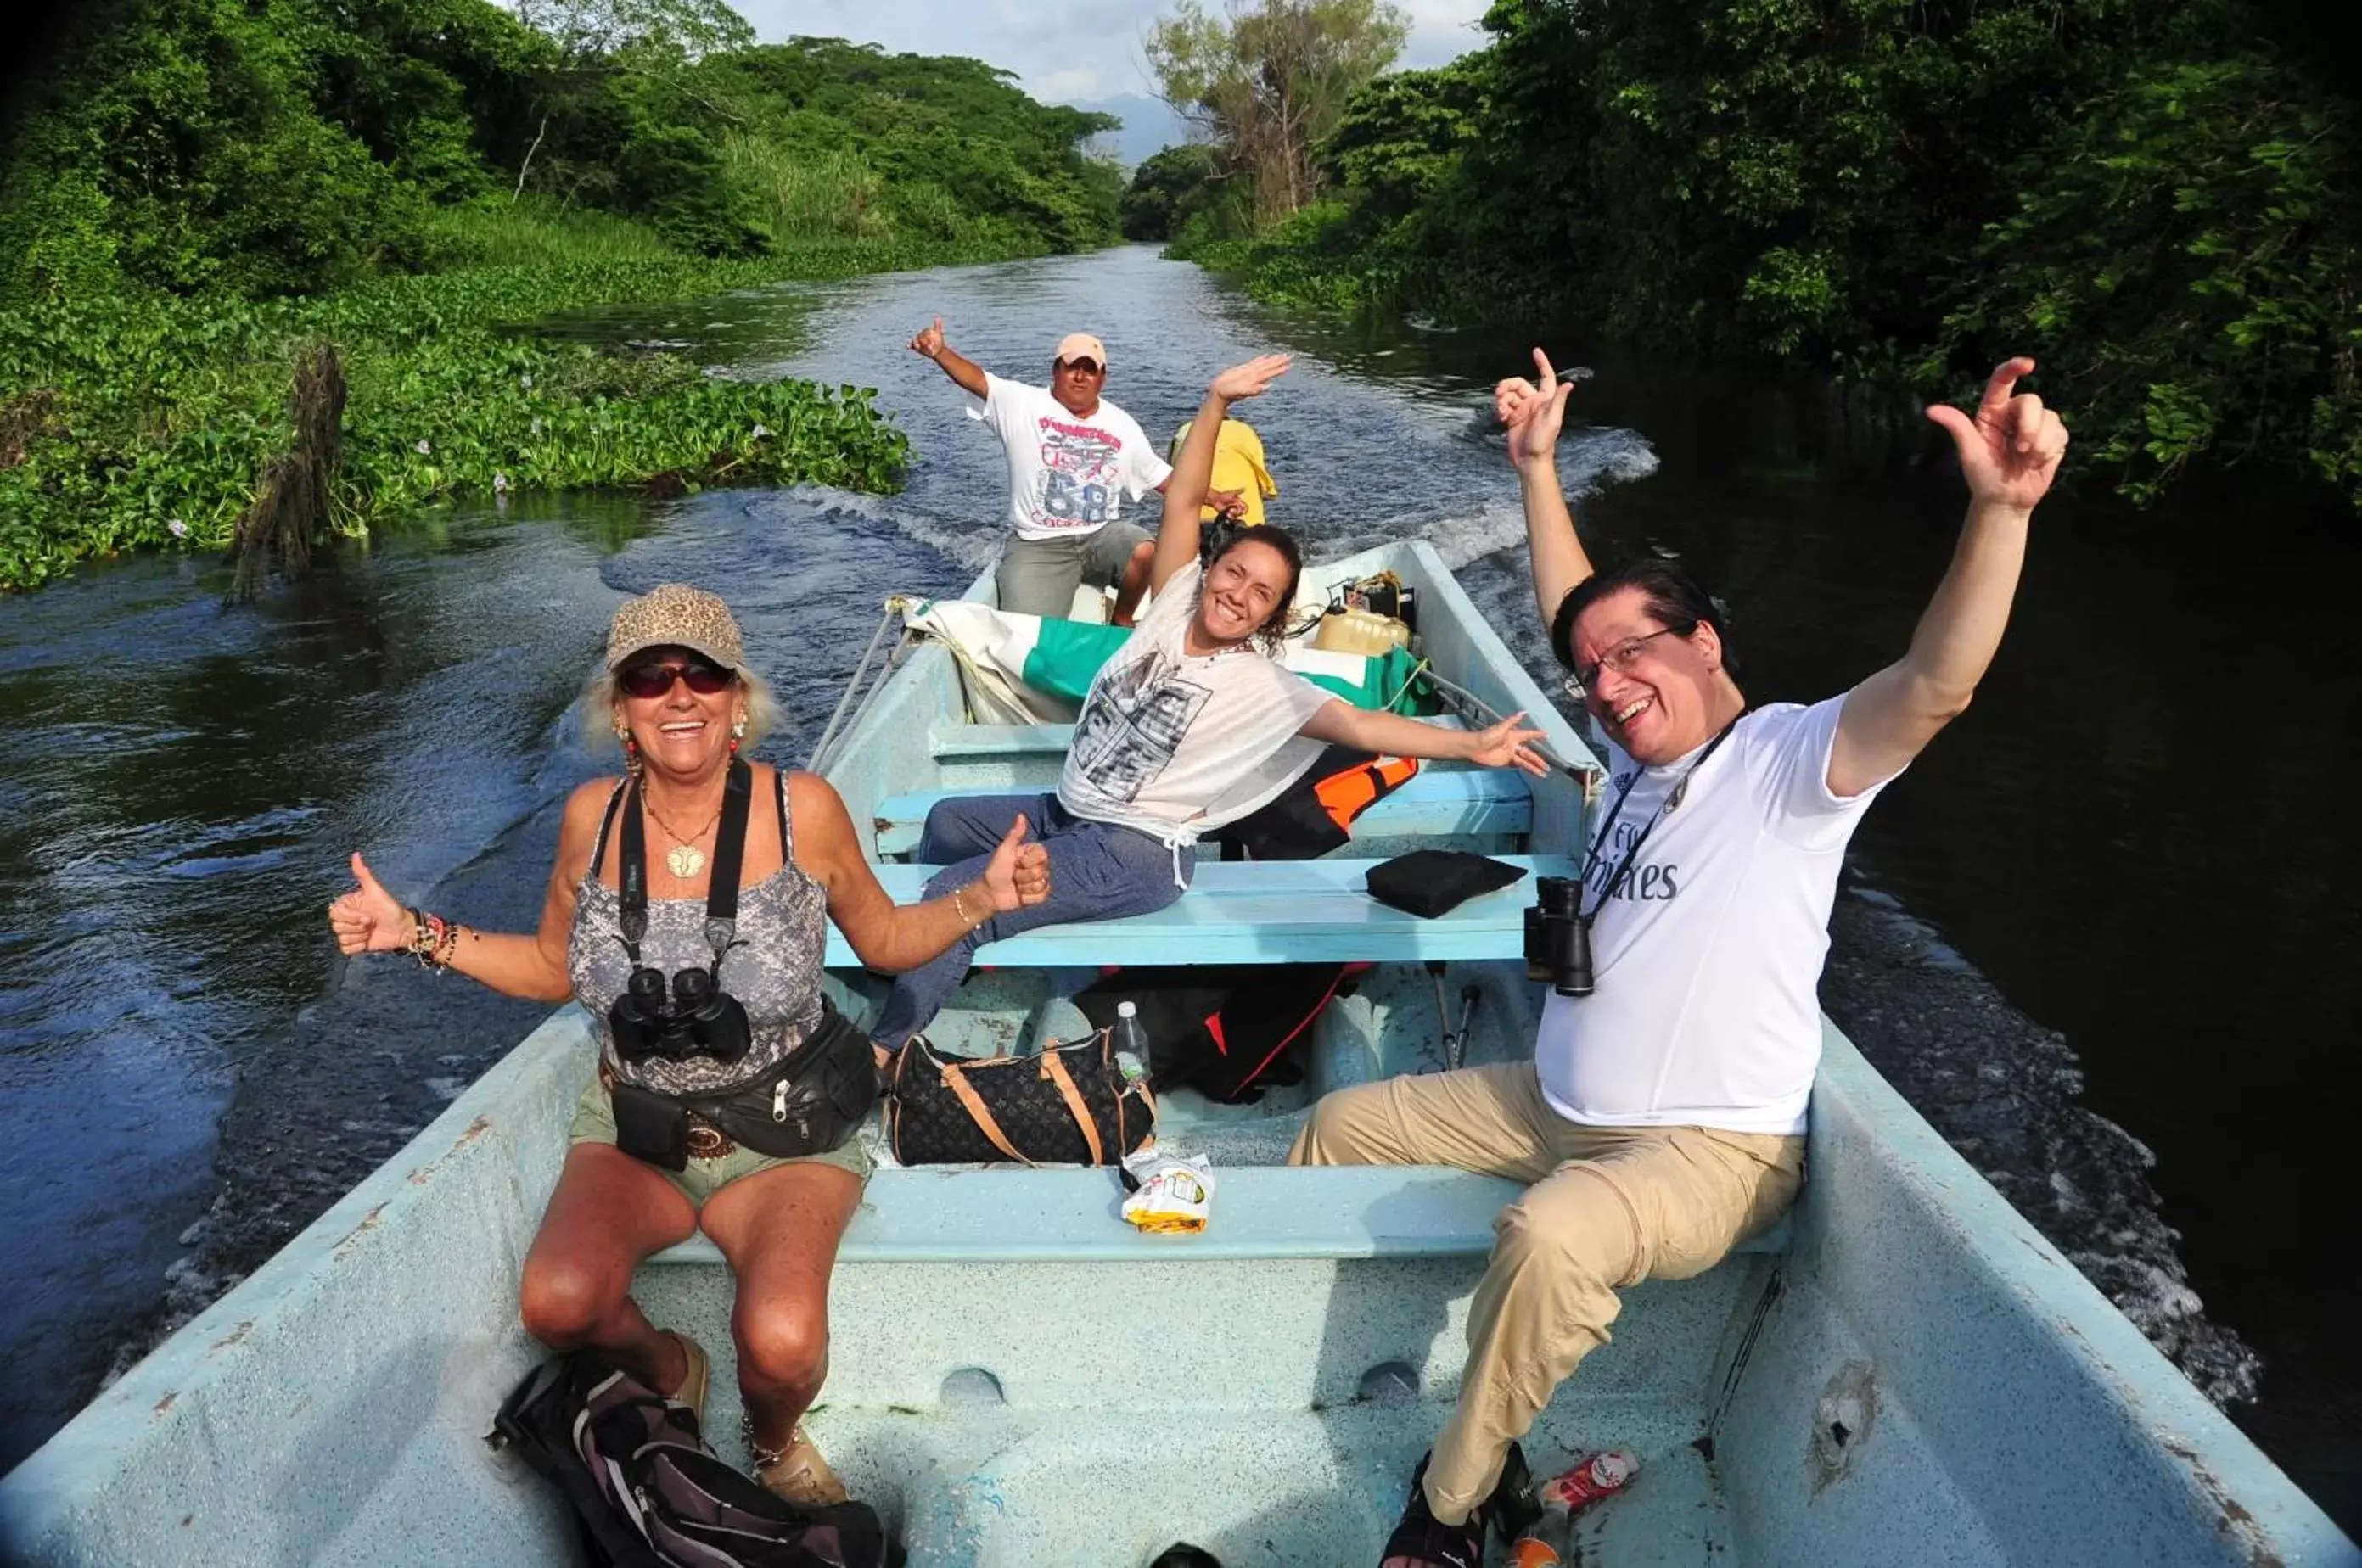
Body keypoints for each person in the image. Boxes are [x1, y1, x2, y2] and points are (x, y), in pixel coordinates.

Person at [1292, 351, 2071, 1568]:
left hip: (1704, 1147)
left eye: (1632, 659)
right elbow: (1581, 610)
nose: (1604, 687)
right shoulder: (1634, 770)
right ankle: (1364, 1377)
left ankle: (1447, 1506)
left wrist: (1998, 514)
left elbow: (1936, 683)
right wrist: (1538, 469)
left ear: (1705, 642)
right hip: (1546, 1101)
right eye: (1587, 675)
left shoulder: (1789, 763)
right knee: (1333, 1130)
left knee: (1546, 1240)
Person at [326, 584, 1051, 1506]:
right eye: (649, 677)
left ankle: (771, 1438)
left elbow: (884, 944)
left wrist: (980, 901)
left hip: (785, 1125)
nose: (679, 695)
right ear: (620, 710)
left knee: (783, 1342)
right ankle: (673, 1367)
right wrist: (413, 933)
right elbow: (555, 965)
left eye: (702, 674)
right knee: (557, 1303)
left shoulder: (805, 812)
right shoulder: (592, 818)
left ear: (737, 699)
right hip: (638, 1123)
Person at [872, 354, 1551, 1049]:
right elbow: (1180, 497)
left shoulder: (1262, 686)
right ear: (1211, 570)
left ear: (1273, 616)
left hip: (1134, 852)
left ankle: (886, 1045)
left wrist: (1473, 744)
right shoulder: (1170, 605)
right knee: (950, 822)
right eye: (1234, 573)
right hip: (1066, 812)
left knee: (953, 893)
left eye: (1262, 594)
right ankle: (952, 957)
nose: (1239, 595)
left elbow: (1361, 722)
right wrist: (1214, 400)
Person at [908, 317, 1240, 624]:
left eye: (1090, 370)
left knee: (1147, 550)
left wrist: (1215, 498)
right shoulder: (1022, 403)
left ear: (1102, 378)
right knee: (1027, 630)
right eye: (1072, 368)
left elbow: (1161, 477)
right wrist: (940, 352)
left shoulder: (1120, 424)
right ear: (1056, 371)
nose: (1080, 377)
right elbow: (977, 380)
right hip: (1039, 543)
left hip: (1100, 535)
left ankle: (1121, 621)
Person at [1169, 415, 1277, 525]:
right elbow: (1264, 480)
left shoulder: (1184, 432)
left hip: (1189, 518)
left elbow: (1169, 473)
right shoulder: (1243, 432)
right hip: (1237, 513)